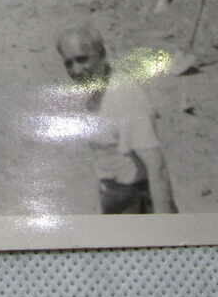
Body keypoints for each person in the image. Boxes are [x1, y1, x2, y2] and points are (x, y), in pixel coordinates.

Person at [56, 22, 178, 214]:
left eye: (82, 59)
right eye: (69, 63)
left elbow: (157, 168)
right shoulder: (93, 93)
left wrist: (164, 229)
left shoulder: (125, 94)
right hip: (114, 199)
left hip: (139, 204)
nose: (76, 70)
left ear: (102, 54)